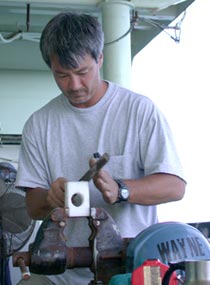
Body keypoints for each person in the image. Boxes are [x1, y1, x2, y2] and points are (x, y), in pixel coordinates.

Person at [15, 11, 186, 285]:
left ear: (100, 59)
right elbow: (33, 207)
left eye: (83, 72)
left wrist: (122, 190)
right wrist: (50, 197)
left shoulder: (139, 111)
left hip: (133, 268)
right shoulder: (39, 124)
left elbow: (174, 186)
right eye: (62, 75)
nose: (74, 85)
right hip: (63, 274)